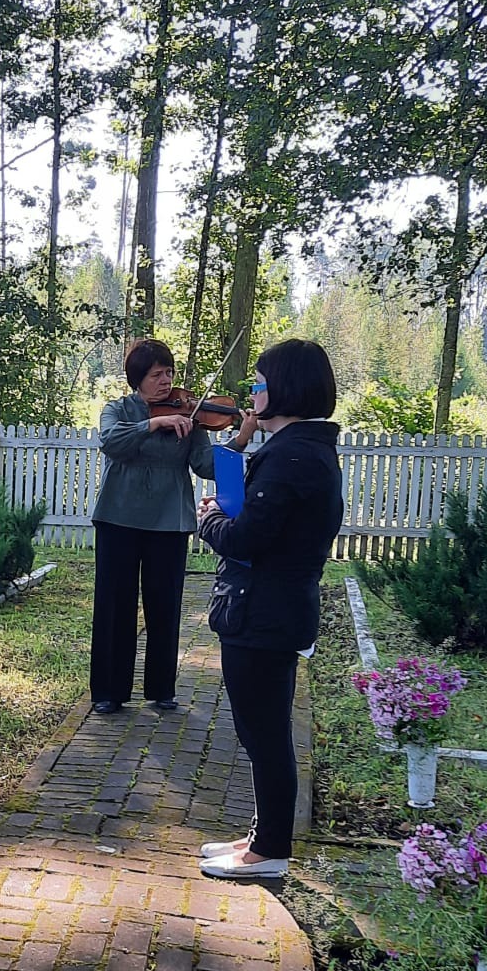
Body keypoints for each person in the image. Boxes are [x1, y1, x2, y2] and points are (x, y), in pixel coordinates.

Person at [195, 337, 343, 879]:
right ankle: (263, 835)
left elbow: (248, 539)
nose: (253, 391)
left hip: (264, 614)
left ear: (285, 388)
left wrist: (210, 520)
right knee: (263, 731)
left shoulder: (292, 455)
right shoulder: (300, 449)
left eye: (259, 382)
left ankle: (269, 851)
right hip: (271, 610)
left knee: (265, 734)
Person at [90, 337, 256, 714]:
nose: (166, 381)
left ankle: (161, 689)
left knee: (165, 604)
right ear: (137, 378)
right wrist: (154, 423)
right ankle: (108, 692)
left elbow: (205, 465)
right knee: (115, 604)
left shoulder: (190, 414)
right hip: (118, 515)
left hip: (169, 519)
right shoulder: (118, 410)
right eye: (156, 375)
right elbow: (111, 442)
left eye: (168, 373)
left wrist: (241, 438)